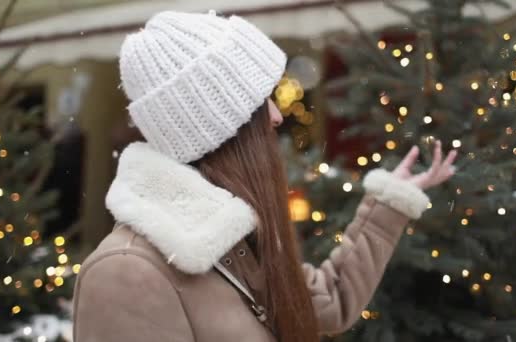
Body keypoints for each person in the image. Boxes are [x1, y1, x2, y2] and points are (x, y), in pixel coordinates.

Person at [72, 10, 457, 342]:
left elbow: (327, 300)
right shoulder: (124, 273)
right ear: (216, 125)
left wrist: (388, 204)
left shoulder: (232, 238)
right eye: (261, 101)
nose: (277, 115)